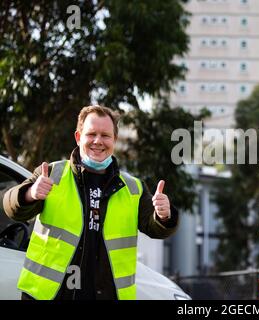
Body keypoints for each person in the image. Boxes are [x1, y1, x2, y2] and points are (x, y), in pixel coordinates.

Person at [2, 105, 179, 300]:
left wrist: (164, 215)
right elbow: (12, 208)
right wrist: (30, 194)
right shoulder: (53, 174)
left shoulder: (133, 187)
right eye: (91, 134)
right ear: (78, 137)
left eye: (105, 135)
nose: (98, 141)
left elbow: (156, 228)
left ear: (114, 140)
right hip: (49, 296)